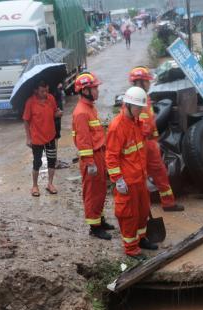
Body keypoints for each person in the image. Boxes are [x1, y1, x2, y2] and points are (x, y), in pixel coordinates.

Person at [106, 87, 158, 259]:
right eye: (137, 108)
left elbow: (141, 146)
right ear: (127, 105)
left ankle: (141, 238)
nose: (139, 112)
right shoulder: (117, 127)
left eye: (141, 109)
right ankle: (131, 248)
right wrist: (118, 180)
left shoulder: (136, 122)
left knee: (143, 211)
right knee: (129, 214)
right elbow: (111, 157)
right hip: (127, 182)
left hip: (139, 177)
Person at [129, 66, 184, 212]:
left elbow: (150, 122)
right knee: (139, 178)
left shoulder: (146, 98)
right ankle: (140, 208)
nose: (149, 84)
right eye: (147, 81)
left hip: (150, 143)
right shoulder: (131, 100)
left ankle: (168, 203)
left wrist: (155, 140)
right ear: (140, 82)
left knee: (160, 172)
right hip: (139, 145)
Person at [72, 72, 115, 241]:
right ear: (85, 91)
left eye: (96, 87)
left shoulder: (90, 108)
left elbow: (95, 134)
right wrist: (90, 163)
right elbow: (83, 141)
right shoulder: (81, 112)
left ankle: (100, 219)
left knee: (101, 190)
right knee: (92, 193)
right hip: (92, 158)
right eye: (94, 88)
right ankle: (94, 227)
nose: (97, 91)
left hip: (99, 154)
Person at [23, 80, 62, 197]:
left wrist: (58, 113)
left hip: (50, 136)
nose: (45, 93)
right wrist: (28, 138)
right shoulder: (30, 102)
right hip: (37, 138)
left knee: (51, 161)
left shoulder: (51, 98)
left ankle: (50, 184)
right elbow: (26, 119)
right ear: (36, 91)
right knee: (37, 162)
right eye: (42, 91)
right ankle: (35, 186)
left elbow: (54, 113)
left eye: (46, 90)